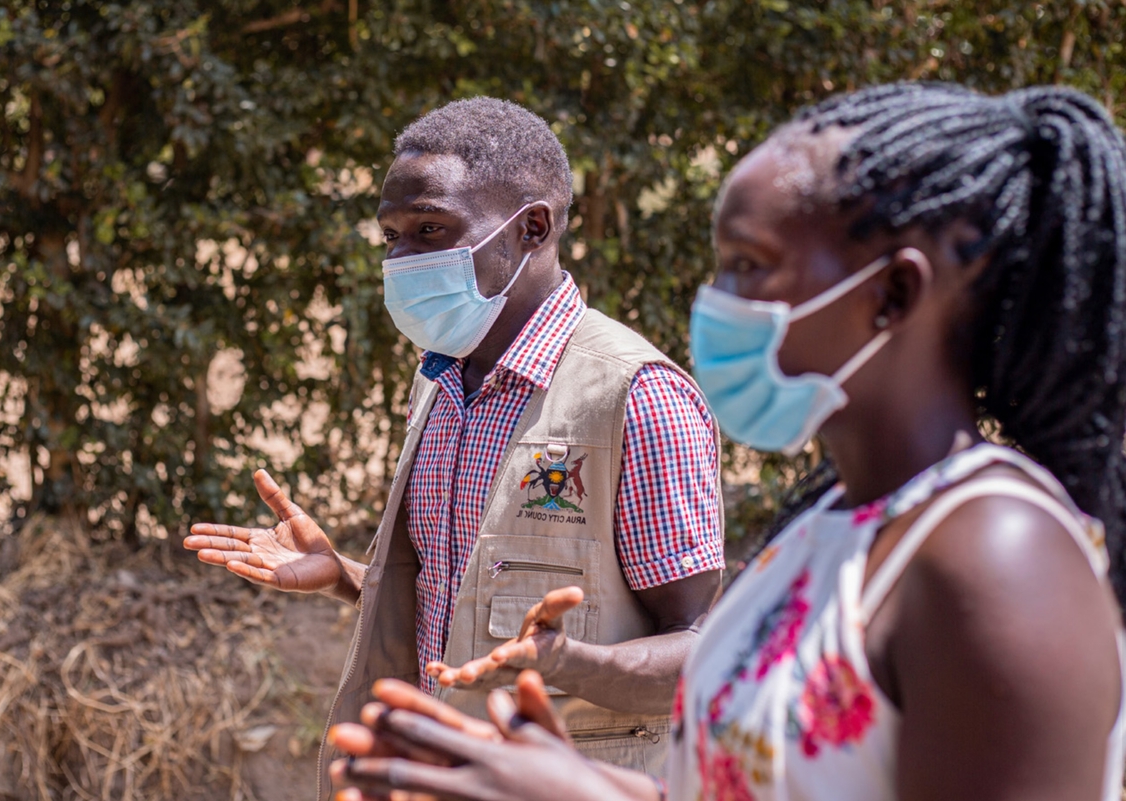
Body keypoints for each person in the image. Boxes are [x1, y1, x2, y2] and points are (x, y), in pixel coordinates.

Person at [329, 82, 1126, 801]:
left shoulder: (998, 559)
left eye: (749, 267)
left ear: (892, 294)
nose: (717, 303)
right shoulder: (822, 535)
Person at [182, 96, 725, 794]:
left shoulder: (635, 396)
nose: (402, 258)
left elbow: (708, 653)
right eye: (391, 236)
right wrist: (350, 575)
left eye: (430, 229)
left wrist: (565, 662)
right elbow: (463, 603)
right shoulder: (440, 382)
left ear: (532, 227)